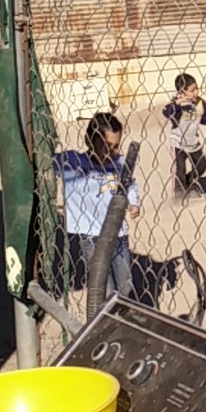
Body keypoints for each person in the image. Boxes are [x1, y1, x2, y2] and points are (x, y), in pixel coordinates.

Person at [56, 113, 140, 298]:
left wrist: (134, 202)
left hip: (118, 234)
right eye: (106, 146)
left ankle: (122, 309)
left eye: (116, 146)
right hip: (91, 236)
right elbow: (44, 161)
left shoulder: (119, 164)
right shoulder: (73, 162)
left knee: (125, 284)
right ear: (89, 140)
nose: (112, 152)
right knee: (103, 286)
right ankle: (107, 314)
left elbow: (131, 184)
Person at [163, 73, 206, 198]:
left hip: (193, 141)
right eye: (192, 90)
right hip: (178, 143)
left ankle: (191, 182)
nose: (196, 92)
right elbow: (166, 112)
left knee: (202, 165)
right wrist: (178, 102)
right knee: (179, 169)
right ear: (182, 91)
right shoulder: (176, 104)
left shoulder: (200, 102)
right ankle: (179, 193)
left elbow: (205, 116)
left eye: (196, 88)